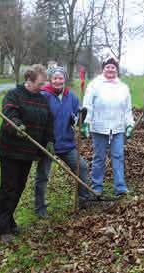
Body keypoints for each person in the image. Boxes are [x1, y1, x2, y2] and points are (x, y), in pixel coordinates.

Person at [0, 64, 54, 243]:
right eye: (40, 83)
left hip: (28, 152)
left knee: (19, 187)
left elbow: (48, 122)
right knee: (8, 187)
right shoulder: (14, 95)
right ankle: (2, 228)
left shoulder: (42, 99)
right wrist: (16, 125)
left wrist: (50, 141)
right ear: (29, 80)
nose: (43, 87)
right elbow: (9, 114)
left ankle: (10, 220)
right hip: (10, 150)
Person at [34, 66, 91, 218]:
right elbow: (38, 119)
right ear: (50, 80)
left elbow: (76, 119)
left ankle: (83, 199)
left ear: (64, 80)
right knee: (43, 175)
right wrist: (44, 141)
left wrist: (81, 117)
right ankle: (40, 207)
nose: (58, 81)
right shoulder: (43, 95)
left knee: (82, 167)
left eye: (60, 78)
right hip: (47, 144)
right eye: (55, 78)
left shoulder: (71, 97)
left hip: (66, 143)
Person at [82, 56, 134, 197]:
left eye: (113, 67)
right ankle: (96, 187)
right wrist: (86, 122)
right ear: (103, 69)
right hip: (99, 127)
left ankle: (120, 187)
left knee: (118, 156)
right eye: (108, 67)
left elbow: (127, 109)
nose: (110, 69)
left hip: (117, 127)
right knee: (99, 157)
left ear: (117, 70)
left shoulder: (123, 87)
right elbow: (88, 105)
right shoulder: (94, 85)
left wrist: (129, 124)